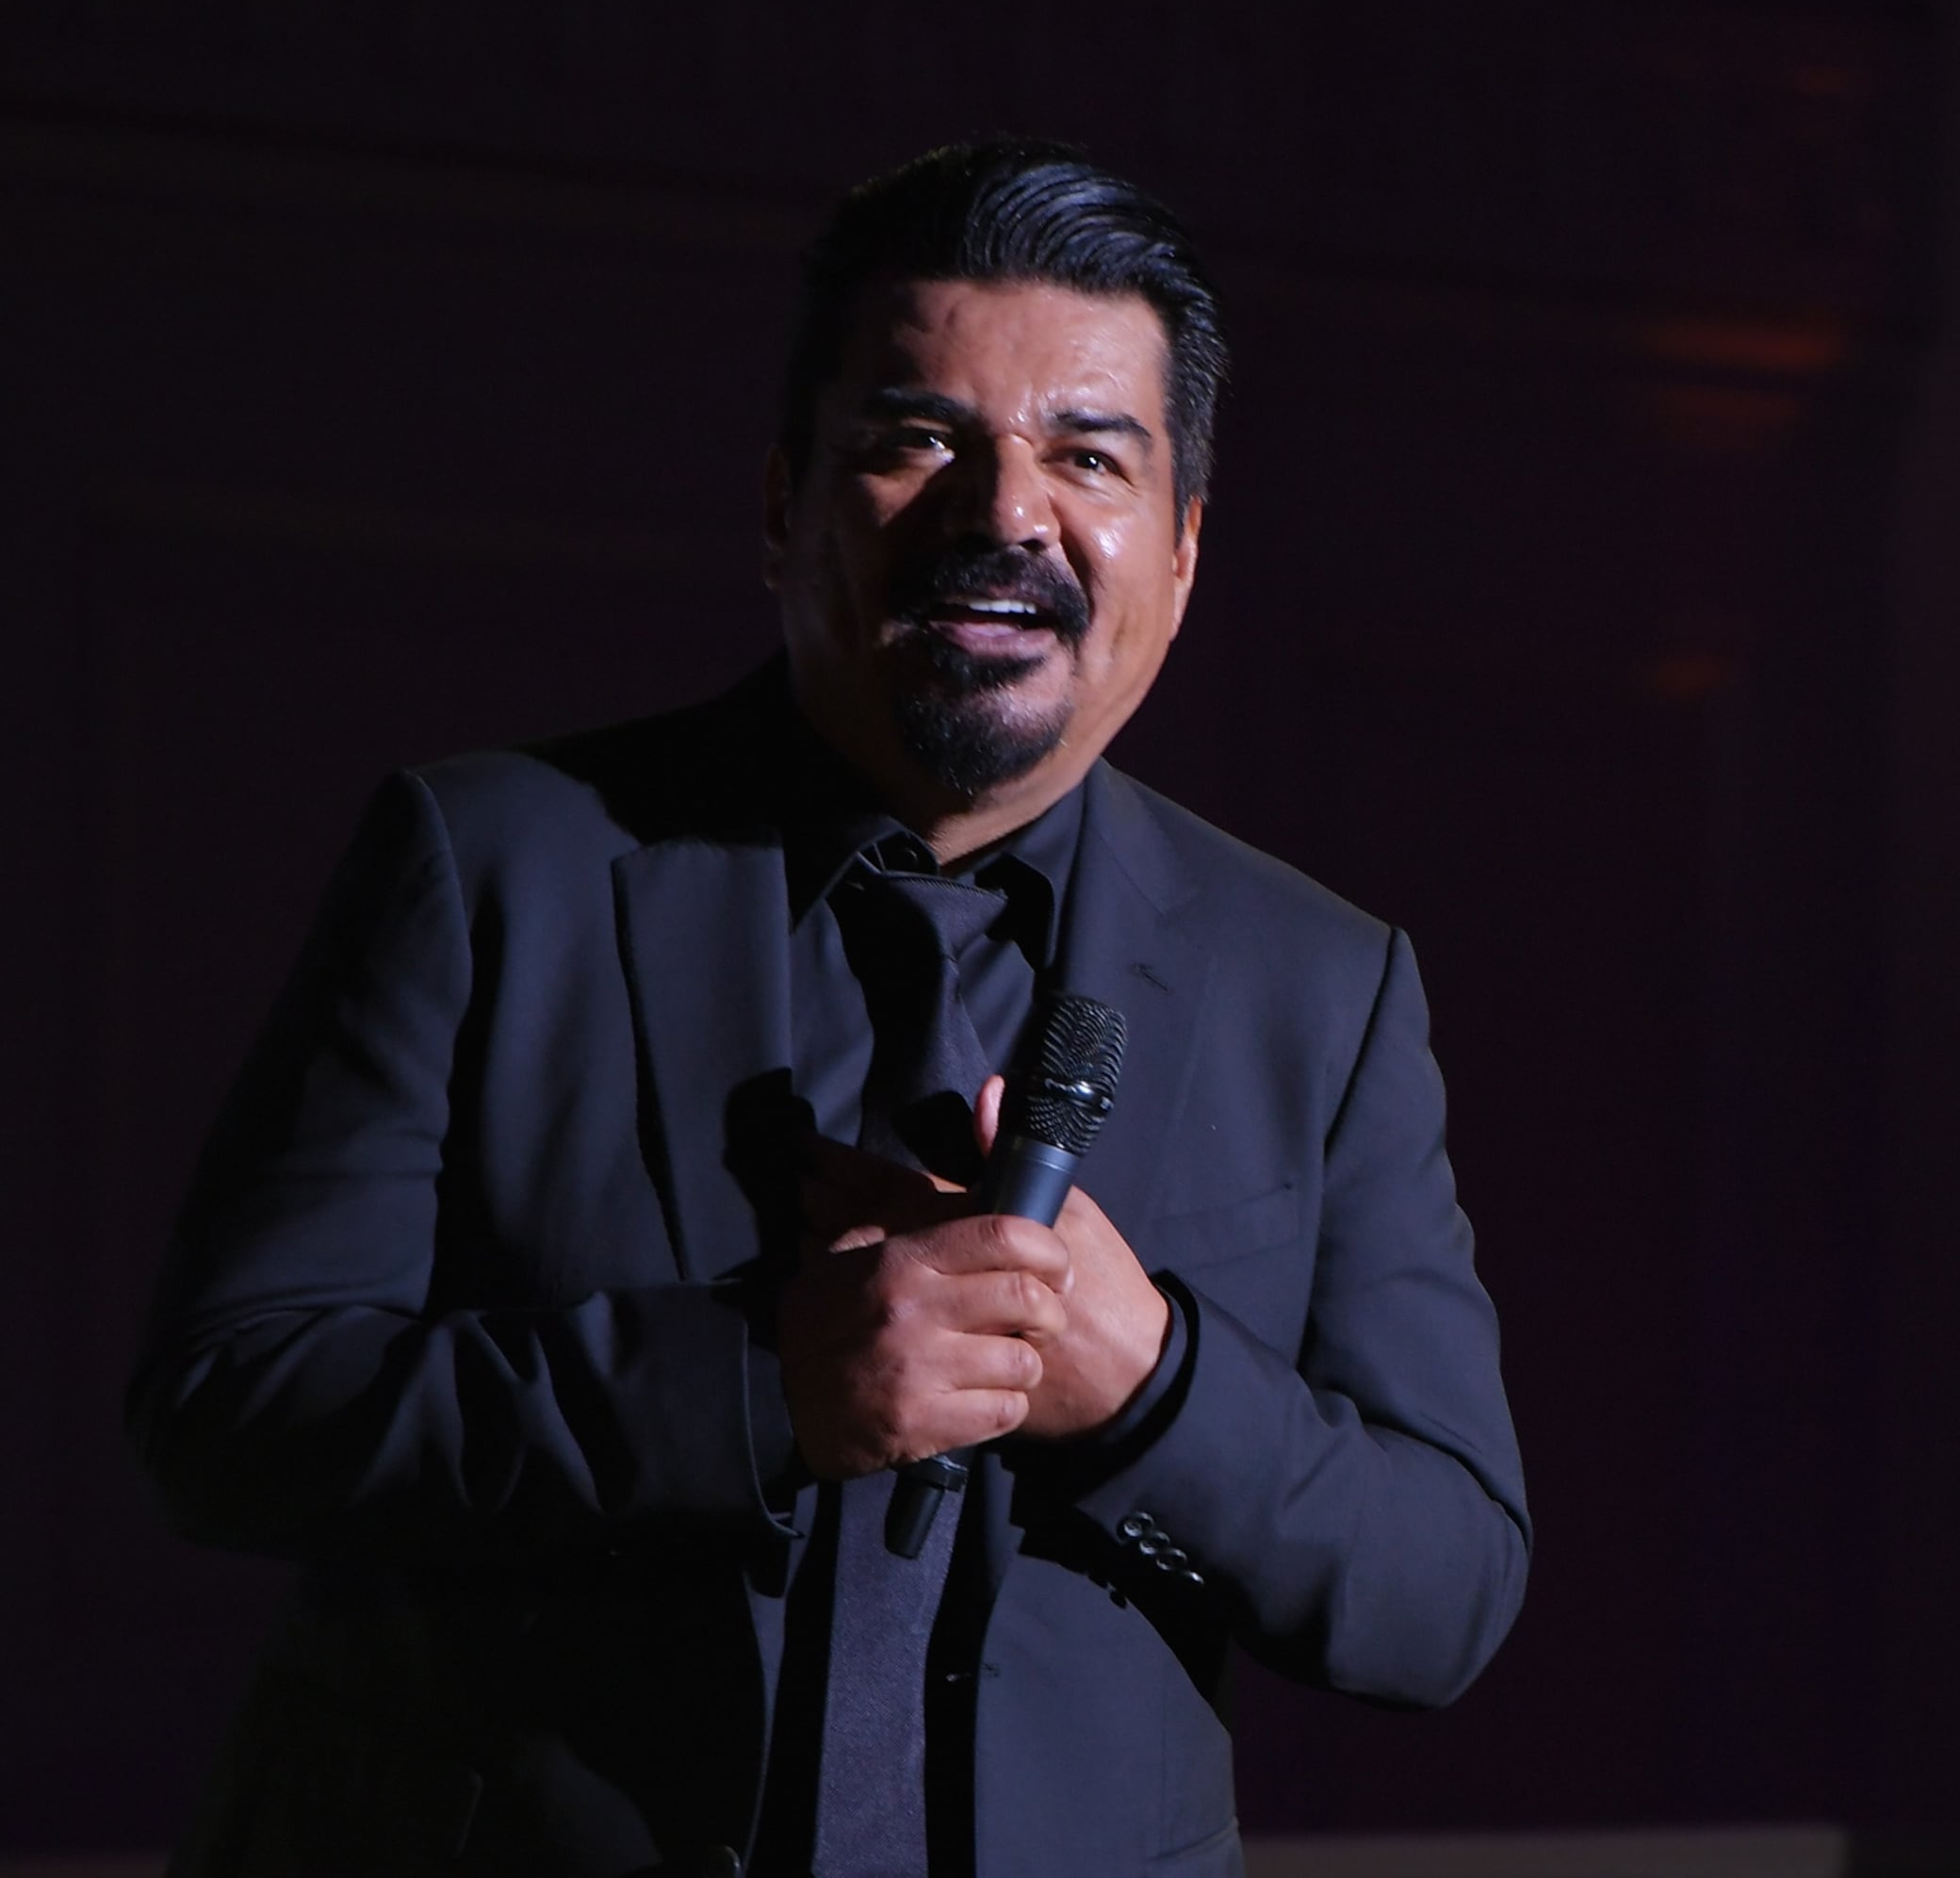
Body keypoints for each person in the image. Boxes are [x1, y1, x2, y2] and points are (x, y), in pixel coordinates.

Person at [128, 139, 1530, 1878]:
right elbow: (227, 1409)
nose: (1005, 513)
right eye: (917, 439)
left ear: (1178, 553)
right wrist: (754, 1388)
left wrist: (1149, 1383)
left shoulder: (1319, 985)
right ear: (784, 502)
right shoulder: (493, 867)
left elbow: (1442, 1589)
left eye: (1087, 456)